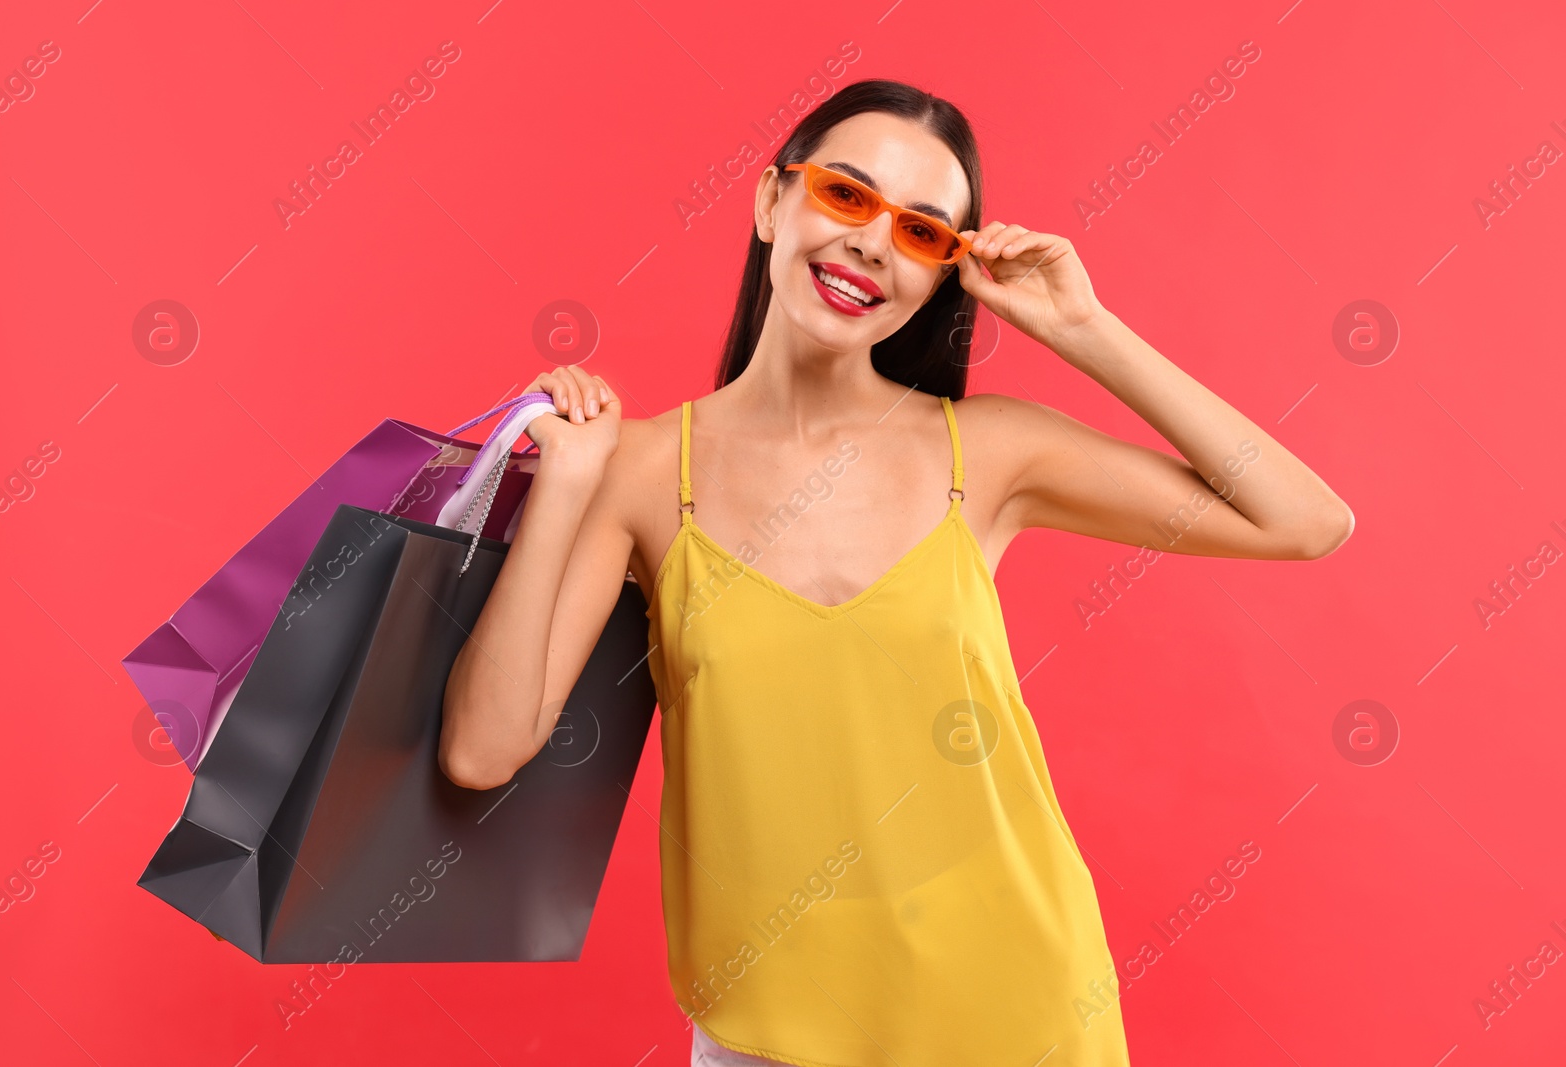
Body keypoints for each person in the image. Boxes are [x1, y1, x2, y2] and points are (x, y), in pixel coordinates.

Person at [438, 79, 1353, 1067]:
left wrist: (1083, 329)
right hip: (763, 1028)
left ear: (942, 273)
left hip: (1018, 1009)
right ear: (768, 201)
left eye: (921, 231)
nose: (875, 241)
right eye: (845, 195)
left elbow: (1302, 519)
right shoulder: (644, 472)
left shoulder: (987, 452)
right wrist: (568, 482)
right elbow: (483, 751)